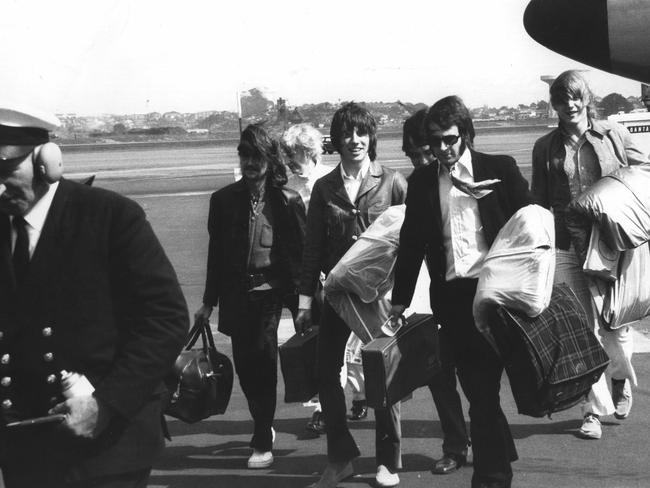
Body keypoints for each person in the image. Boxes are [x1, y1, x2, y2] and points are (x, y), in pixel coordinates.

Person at [0, 106, 188, 488]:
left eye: (4, 169)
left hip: (108, 448)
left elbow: (165, 320)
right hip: (25, 451)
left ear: (44, 161)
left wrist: (107, 404)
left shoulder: (110, 217)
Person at [390, 96, 531, 488]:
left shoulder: (499, 169)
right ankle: (493, 475)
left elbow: (534, 225)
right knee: (480, 391)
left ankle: (494, 466)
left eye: (449, 140)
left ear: (466, 134)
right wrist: (399, 299)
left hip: (500, 296)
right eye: (434, 142)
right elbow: (412, 242)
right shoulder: (421, 182)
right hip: (454, 302)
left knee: (486, 393)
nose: (441, 149)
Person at [531, 70, 649, 440]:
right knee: (584, 328)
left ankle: (619, 377)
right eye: (561, 99)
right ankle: (593, 411)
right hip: (567, 241)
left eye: (575, 96)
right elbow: (538, 198)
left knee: (616, 324)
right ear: (554, 104)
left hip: (610, 240)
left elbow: (643, 170)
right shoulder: (545, 147)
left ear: (586, 97)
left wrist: (623, 205)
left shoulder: (613, 134)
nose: (569, 105)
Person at [295, 102, 408, 488]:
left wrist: (406, 296)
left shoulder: (392, 181)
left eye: (362, 133)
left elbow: (412, 241)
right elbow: (312, 248)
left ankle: (388, 462)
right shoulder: (325, 188)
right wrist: (305, 302)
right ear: (336, 141)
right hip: (337, 295)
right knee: (325, 371)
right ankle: (340, 457)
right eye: (347, 134)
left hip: (378, 296)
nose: (355, 141)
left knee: (383, 373)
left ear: (371, 137)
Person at [195, 123, 306, 469]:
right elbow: (215, 256)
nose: (250, 162)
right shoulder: (223, 201)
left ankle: (261, 436)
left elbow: (301, 256)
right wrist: (207, 302)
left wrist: (305, 303)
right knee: (245, 368)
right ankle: (263, 422)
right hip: (235, 296)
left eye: (257, 155)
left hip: (270, 295)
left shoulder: (287, 201)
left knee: (264, 362)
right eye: (245, 155)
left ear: (270, 159)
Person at [400, 109, 472, 475]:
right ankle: (456, 444)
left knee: (478, 375)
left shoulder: (465, 174)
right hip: (428, 292)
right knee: (439, 373)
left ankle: (488, 440)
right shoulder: (416, 184)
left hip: (467, 289)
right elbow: (408, 245)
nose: (421, 161)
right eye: (412, 155)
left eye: (424, 152)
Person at [282, 123, 333, 436]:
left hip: (333, 272)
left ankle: (356, 394)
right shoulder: (287, 187)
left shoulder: (330, 182)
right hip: (303, 278)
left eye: (295, 155)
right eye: (288, 156)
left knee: (340, 339)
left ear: (310, 152)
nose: (290, 162)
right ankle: (321, 404)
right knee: (312, 338)